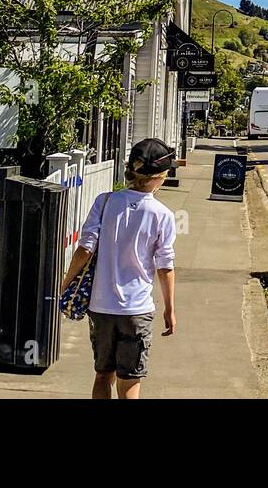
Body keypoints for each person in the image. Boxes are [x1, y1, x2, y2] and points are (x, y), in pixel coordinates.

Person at [60, 138, 177, 399]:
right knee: (130, 380)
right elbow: (164, 266)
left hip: (100, 308)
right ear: (160, 177)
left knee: (103, 375)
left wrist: (65, 283)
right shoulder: (163, 215)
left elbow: (85, 249)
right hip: (137, 310)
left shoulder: (104, 202)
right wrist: (170, 309)